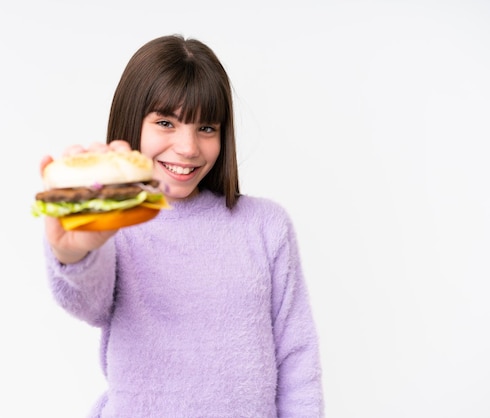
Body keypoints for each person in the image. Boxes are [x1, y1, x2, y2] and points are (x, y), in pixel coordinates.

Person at [39, 34, 323, 417]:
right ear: (132, 121)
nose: (188, 147)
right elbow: (87, 301)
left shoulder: (265, 227)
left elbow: (297, 361)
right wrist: (73, 250)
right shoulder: (117, 225)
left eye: (207, 128)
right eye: (165, 122)